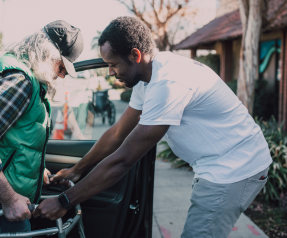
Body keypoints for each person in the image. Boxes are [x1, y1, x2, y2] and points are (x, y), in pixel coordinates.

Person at [33, 16, 272, 238]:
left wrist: (65, 201)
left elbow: (124, 159)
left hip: (235, 168)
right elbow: (117, 133)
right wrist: (77, 170)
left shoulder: (168, 82)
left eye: (113, 64)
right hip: (217, 165)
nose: (111, 72)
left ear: (135, 55)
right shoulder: (147, 79)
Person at [0, 20, 83, 237]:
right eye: (62, 66)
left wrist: (36, 170)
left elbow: (12, 136)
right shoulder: (20, 80)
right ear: (49, 54)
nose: (63, 74)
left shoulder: (15, 68)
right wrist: (9, 199)